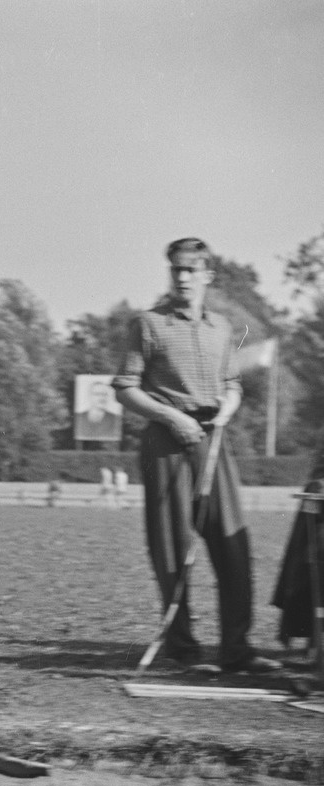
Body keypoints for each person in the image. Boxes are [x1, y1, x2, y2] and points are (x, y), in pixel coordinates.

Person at [112, 237, 280, 674]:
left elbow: (232, 384)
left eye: (191, 270)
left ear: (207, 274)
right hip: (166, 440)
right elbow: (125, 387)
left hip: (213, 439)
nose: (183, 278)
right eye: (176, 270)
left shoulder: (222, 327)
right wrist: (171, 417)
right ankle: (184, 652)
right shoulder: (147, 324)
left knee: (233, 543)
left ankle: (236, 650)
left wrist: (229, 404)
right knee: (171, 550)